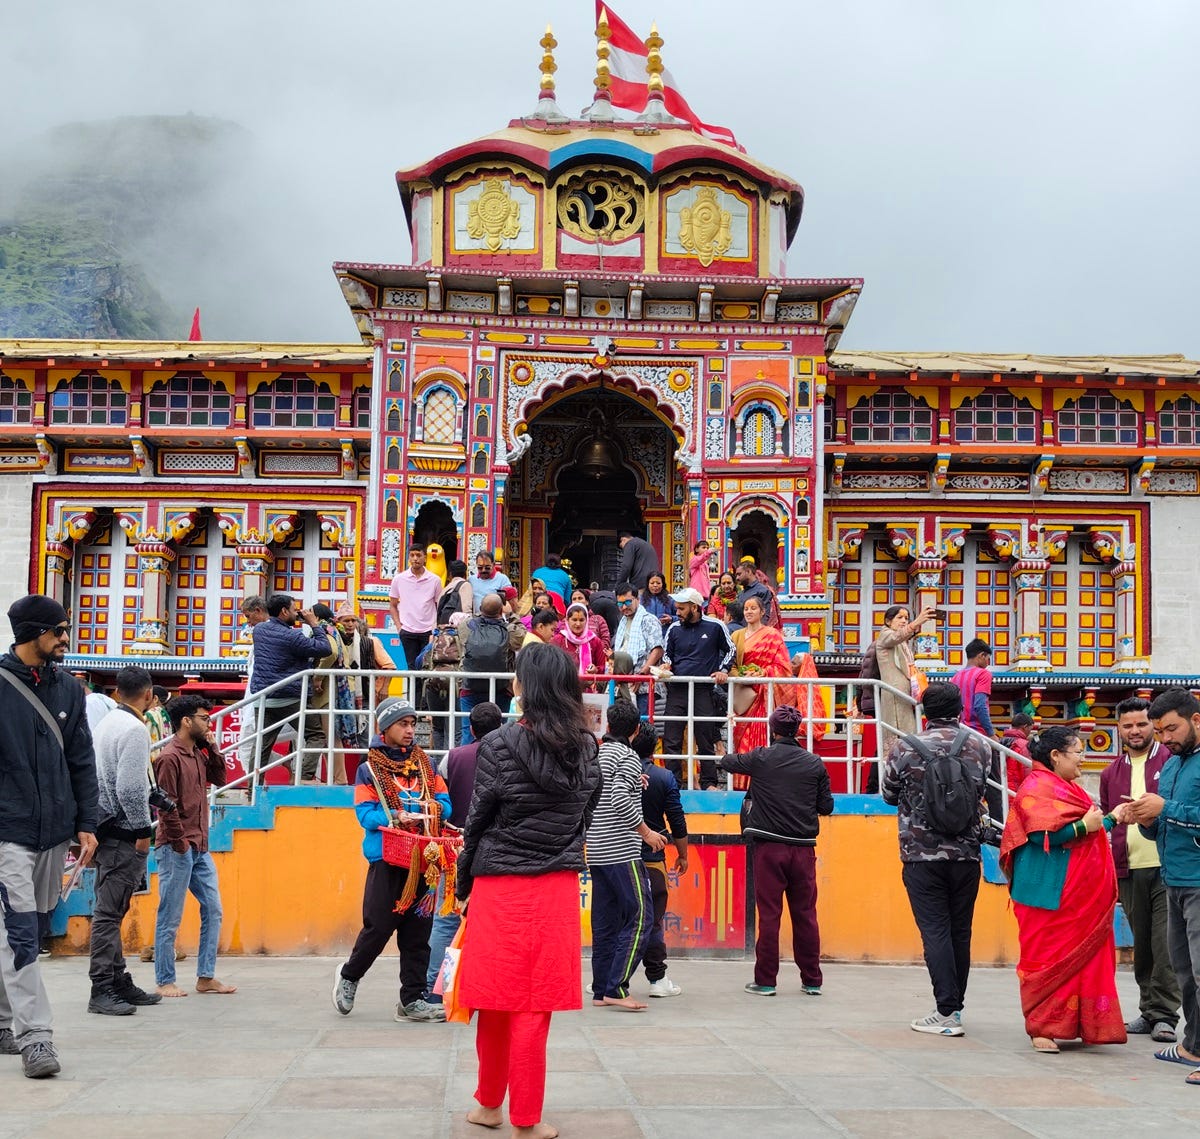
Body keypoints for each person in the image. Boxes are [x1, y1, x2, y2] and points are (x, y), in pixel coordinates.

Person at [455, 642, 602, 1137]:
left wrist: (461, 884)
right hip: (556, 888)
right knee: (533, 1006)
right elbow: (583, 816)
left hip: (500, 887)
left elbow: (477, 823)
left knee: (496, 1001)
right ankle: (526, 1118)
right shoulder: (589, 749)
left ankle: (490, 1104)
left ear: (526, 688)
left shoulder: (497, 745)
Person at [0, 594, 98, 1079]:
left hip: (55, 832)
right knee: (18, 933)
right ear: (32, 633)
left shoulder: (70, 690)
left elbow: (81, 759)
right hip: (8, 831)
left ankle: (1, 1022)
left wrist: (87, 823)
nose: (65, 639)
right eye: (58, 631)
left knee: (31, 933)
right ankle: (35, 1038)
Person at [1000, 726, 1126, 1053]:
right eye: (1078, 752)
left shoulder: (1066, 787)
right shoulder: (1037, 787)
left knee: (1087, 961)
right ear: (1056, 756)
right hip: (1050, 895)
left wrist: (1113, 818)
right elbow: (1045, 835)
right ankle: (1042, 1027)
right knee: (1045, 959)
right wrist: (1089, 824)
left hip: (1080, 897)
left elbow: (1087, 827)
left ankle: (1084, 1025)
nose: (1084, 758)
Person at [881, 682, 990, 1036]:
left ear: (923, 711)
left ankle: (946, 1012)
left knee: (935, 931)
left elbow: (887, 794)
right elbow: (981, 790)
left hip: (921, 855)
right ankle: (955, 1006)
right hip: (966, 854)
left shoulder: (906, 747)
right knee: (960, 931)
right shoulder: (979, 746)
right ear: (960, 709)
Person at [332, 698, 450, 1024]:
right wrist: (396, 815)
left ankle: (412, 1000)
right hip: (387, 858)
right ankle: (349, 975)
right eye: (403, 724)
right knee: (378, 927)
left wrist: (433, 810)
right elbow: (364, 814)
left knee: (418, 934)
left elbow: (444, 801)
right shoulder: (368, 769)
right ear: (385, 729)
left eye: (413, 724)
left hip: (423, 860)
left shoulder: (426, 764)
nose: (410, 730)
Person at [716, 705, 833, 997]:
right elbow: (826, 807)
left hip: (769, 847)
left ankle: (766, 980)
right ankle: (812, 980)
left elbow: (728, 762)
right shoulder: (814, 763)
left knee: (770, 915)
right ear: (798, 730)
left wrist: (722, 745)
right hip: (804, 850)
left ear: (772, 730)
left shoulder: (761, 757)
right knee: (806, 914)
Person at [1127, 689, 1200, 1081]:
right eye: (1161, 730)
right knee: (1185, 972)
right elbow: (1164, 827)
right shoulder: (1171, 767)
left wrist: (1165, 808)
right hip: (1174, 878)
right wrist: (1146, 819)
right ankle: (1194, 1046)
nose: (1165, 737)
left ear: (1196, 720)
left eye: (1171, 728)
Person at [1099, 697, 1178, 1042]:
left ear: (1154, 726)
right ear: (1119, 728)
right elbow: (1107, 819)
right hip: (1128, 867)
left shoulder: (1172, 762)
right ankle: (1148, 1010)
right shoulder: (1109, 773)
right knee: (1142, 944)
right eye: (1128, 725)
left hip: (1167, 865)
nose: (1135, 731)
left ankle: (1165, 1015)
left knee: (1165, 944)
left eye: (1141, 724)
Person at [87, 665, 161, 1016]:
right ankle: (102, 986)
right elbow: (131, 790)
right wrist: (143, 832)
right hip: (122, 835)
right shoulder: (134, 729)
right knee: (108, 913)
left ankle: (118, 980)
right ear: (148, 694)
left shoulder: (107, 723)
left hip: (106, 829)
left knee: (112, 910)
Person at [153, 694, 237, 998]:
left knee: (213, 909)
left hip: (200, 845)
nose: (209, 722)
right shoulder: (168, 758)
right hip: (178, 847)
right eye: (204, 718)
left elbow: (219, 776)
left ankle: (206, 976)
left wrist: (212, 746)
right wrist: (179, 844)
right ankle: (164, 980)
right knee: (170, 914)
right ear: (186, 721)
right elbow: (166, 807)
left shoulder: (198, 754)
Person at [587, 701, 667, 1012]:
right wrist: (646, 832)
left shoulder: (598, 755)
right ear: (635, 731)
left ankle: (601, 988)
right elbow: (619, 797)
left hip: (597, 849)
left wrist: (636, 780)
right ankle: (617, 987)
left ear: (608, 727)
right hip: (621, 850)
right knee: (641, 917)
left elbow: (605, 790)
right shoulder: (629, 756)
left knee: (605, 923)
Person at [425, 701, 504, 1005]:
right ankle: (485, 989)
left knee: (446, 920)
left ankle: (437, 990)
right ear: (501, 726)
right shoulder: (506, 756)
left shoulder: (451, 758)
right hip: (494, 850)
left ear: (470, 728)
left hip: (454, 847)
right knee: (492, 922)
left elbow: (439, 800)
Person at [249, 593, 332, 779]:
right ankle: (302, 778)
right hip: (290, 697)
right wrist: (314, 623)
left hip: (264, 698)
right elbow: (325, 648)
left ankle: (252, 788)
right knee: (316, 736)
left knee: (262, 743)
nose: (297, 613)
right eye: (294, 610)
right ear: (284, 611)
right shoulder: (292, 637)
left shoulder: (259, 630)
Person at [631, 723, 687, 998]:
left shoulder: (615, 772)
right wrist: (684, 854)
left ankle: (606, 979)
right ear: (655, 748)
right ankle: (657, 979)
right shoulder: (664, 777)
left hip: (620, 857)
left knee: (618, 921)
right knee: (652, 921)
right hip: (652, 859)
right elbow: (676, 819)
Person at [660, 587, 735, 791]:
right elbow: (667, 655)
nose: (678, 612)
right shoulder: (674, 629)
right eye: (677, 608)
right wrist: (666, 666)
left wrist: (723, 670)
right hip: (677, 689)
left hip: (703, 688)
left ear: (695, 607)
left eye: (682, 608)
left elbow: (730, 650)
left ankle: (709, 783)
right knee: (671, 738)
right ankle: (673, 784)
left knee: (705, 737)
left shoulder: (715, 626)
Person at [729, 594, 797, 785]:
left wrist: (761, 672)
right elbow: (730, 663)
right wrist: (740, 676)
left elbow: (784, 667)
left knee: (762, 737)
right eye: (746, 609)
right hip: (744, 694)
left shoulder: (773, 636)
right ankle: (741, 783)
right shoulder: (737, 635)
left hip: (764, 694)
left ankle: (760, 783)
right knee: (741, 740)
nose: (749, 612)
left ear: (762, 612)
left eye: (753, 608)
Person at [457, 594, 524, 744]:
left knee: (468, 731)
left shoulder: (466, 627)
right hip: (501, 689)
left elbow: (463, 635)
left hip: (470, 687)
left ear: (481, 609)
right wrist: (511, 615)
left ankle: (467, 760)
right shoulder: (509, 630)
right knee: (500, 731)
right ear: (501, 610)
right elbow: (521, 638)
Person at [874, 603, 937, 745]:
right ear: (888, 622)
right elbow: (896, 637)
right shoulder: (885, 635)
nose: (904, 621)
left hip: (904, 693)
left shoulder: (901, 641)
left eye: (906, 618)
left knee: (907, 732)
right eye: (899, 617)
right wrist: (917, 622)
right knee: (896, 734)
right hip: (894, 693)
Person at [303, 602, 346, 783]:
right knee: (331, 737)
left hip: (325, 691)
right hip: (333, 690)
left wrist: (318, 676)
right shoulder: (334, 629)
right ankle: (337, 778)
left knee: (330, 737)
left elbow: (331, 653)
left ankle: (339, 779)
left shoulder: (322, 629)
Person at [612, 582, 664, 719]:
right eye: (620, 604)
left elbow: (657, 650)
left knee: (642, 725)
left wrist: (642, 674)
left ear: (637, 599)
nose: (624, 607)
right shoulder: (622, 622)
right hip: (622, 683)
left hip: (643, 684)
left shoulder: (649, 620)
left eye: (628, 602)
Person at [388, 542, 442, 673]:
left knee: (427, 667)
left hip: (428, 631)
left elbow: (439, 605)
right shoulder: (399, 579)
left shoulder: (435, 580)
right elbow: (393, 605)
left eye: (418, 555)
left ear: (425, 558)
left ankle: (423, 694)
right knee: (411, 668)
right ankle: (412, 694)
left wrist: (435, 629)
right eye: (412, 555)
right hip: (407, 630)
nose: (415, 558)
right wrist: (399, 627)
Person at [236, 595, 269, 774]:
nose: (248, 623)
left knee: (247, 744)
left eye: (249, 617)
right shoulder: (260, 633)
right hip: (256, 696)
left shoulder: (269, 632)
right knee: (252, 743)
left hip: (264, 696)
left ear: (258, 611)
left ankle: (253, 788)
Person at [553, 602, 608, 691]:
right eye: (574, 620)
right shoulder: (558, 640)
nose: (578, 624)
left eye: (581, 620)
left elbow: (602, 666)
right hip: (563, 690)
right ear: (567, 620)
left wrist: (596, 670)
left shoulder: (594, 641)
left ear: (586, 620)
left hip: (589, 691)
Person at [952, 639, 997, 740]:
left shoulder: (955, 677)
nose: (987, 663)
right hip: (977, 733)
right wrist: (991, 734)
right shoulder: (983, 674)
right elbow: (980, 705)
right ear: (981, 655)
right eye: (988, 659)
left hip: (958, 733)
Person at [734, 560, 780, 630]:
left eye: (739, 574)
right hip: (741, 632)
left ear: (749, 572)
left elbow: (764, 617)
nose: (737, 578)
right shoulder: (741, 593)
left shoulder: (762, 591)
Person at [570, 587, 611, 655]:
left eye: (580, 598)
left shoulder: (598, 619)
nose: (577, 601)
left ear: (587, 602)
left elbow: (606, 640)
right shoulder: (565, 621)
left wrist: (592, 651)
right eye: (574, 599)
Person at [1001, 713, 1034, 794]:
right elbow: (1027, 772)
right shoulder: (1024, 745)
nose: (1030, 732)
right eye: (1030, 728)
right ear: (1025, 727)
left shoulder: (999, 741)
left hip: (1000, 789)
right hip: (1016, 791)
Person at [437, 559, 474, 626]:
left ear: (450, 574)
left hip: (444, 629)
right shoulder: (465, 585)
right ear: (465, 574)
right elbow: (466, 611)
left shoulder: (445, 590)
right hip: (457, 630)